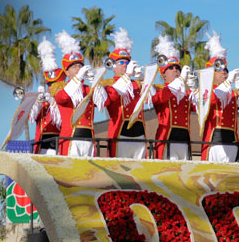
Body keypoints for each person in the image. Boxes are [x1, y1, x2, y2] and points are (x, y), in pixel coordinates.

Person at [53, 31, 111, 157]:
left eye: (80, 66)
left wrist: (95, 81)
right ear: (67, 72)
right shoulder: (60, 87)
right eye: (74, 67)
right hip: (71, 140)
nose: (78, 69)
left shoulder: (88, 89)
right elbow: (62, 98)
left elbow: (104, 102)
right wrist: (78, 79)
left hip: (89, 139)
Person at [197, 31, 239, 162]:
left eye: (225, 71)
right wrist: (228, 82)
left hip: (232, 141)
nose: (223, 73)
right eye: (219, 70)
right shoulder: (204, 91)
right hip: (214, 142)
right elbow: (211, 100)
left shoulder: (232, 92)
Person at [103, 28, 147, 159]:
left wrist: (143, 78)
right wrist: (127, 76)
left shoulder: (137, 84)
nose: (125, 65)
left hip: (140, 134)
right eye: (121, 62)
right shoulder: (108, 83)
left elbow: (153, 97)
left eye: (127, 62)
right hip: (119, 133)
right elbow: (110, 99)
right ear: (113, 65)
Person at [151, 35, 194, 160]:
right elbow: (160, 98)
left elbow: (200, 108)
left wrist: (194, 88)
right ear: (163, 75)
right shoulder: (159, 89)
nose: (175, 70)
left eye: (177, 68)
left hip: (184, 140)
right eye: (170, 68)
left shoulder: (186, 93)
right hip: (166, 139)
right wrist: (181, 80)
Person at [31, 37, 64, 155]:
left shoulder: (64, 101)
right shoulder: (43, 101)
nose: (50, 88)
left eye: (53, 84)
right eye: (49, 84)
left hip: (59, 144)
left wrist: (53, 102)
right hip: (42, 144)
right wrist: (38, 101)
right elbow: (32, 117)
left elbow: (60, 120)